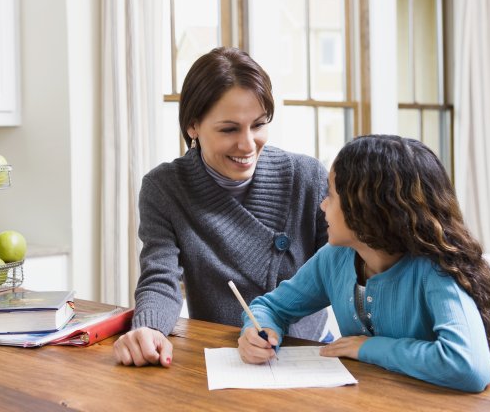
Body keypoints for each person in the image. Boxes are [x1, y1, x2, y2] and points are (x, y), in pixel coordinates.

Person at [237, 135, 490, 393]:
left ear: (369, 209)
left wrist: (367, 348)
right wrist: (258, 330)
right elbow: (271, 307)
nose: (322, 206)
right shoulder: (334, 258)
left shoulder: (435, 270)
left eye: (331, 195)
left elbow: (469, 366)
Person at [113, 47, 330, 367]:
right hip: (221, 361)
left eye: (258, 125)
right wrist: (149, 328)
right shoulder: (165, 188)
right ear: (193, 126)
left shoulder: (308, 178)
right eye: (229, 129)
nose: (247, 144)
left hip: (308, 354)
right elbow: (160, 278)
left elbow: (344, 272)